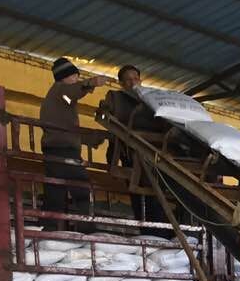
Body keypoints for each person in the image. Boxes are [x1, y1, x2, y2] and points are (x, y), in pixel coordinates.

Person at [100, 64, 169, 236]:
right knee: (141, 199)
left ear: (141, 80)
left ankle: (160, 235)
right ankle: (149, 234)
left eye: (136, 79)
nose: (133, 82)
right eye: (128, 80)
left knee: (157, 198)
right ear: (121, 83)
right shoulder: (118, 99)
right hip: (132, 155)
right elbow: (114, 130)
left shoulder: (152, 101)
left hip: (156, 156)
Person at [39, 57, 101, 231]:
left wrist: (89, 140)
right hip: (64, 151)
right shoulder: (61, 90)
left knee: (55, 189)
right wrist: (91, 83)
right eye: (74, 76)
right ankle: (87, 229)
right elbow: (74, 91)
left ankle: (50, 228)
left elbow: (65, 126)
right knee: (81, 186)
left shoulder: (61, 99)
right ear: (63, 77)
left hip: (53, 150)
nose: (76, 79)